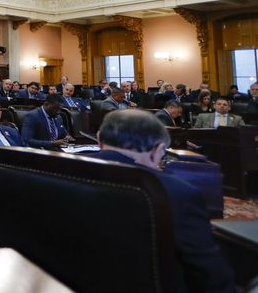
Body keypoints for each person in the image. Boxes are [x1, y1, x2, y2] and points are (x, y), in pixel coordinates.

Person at [92, 110, 235, 292]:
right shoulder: (176, 193)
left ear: (99, 140)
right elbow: (211, 277)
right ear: (158, 150)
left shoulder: (59, 170)